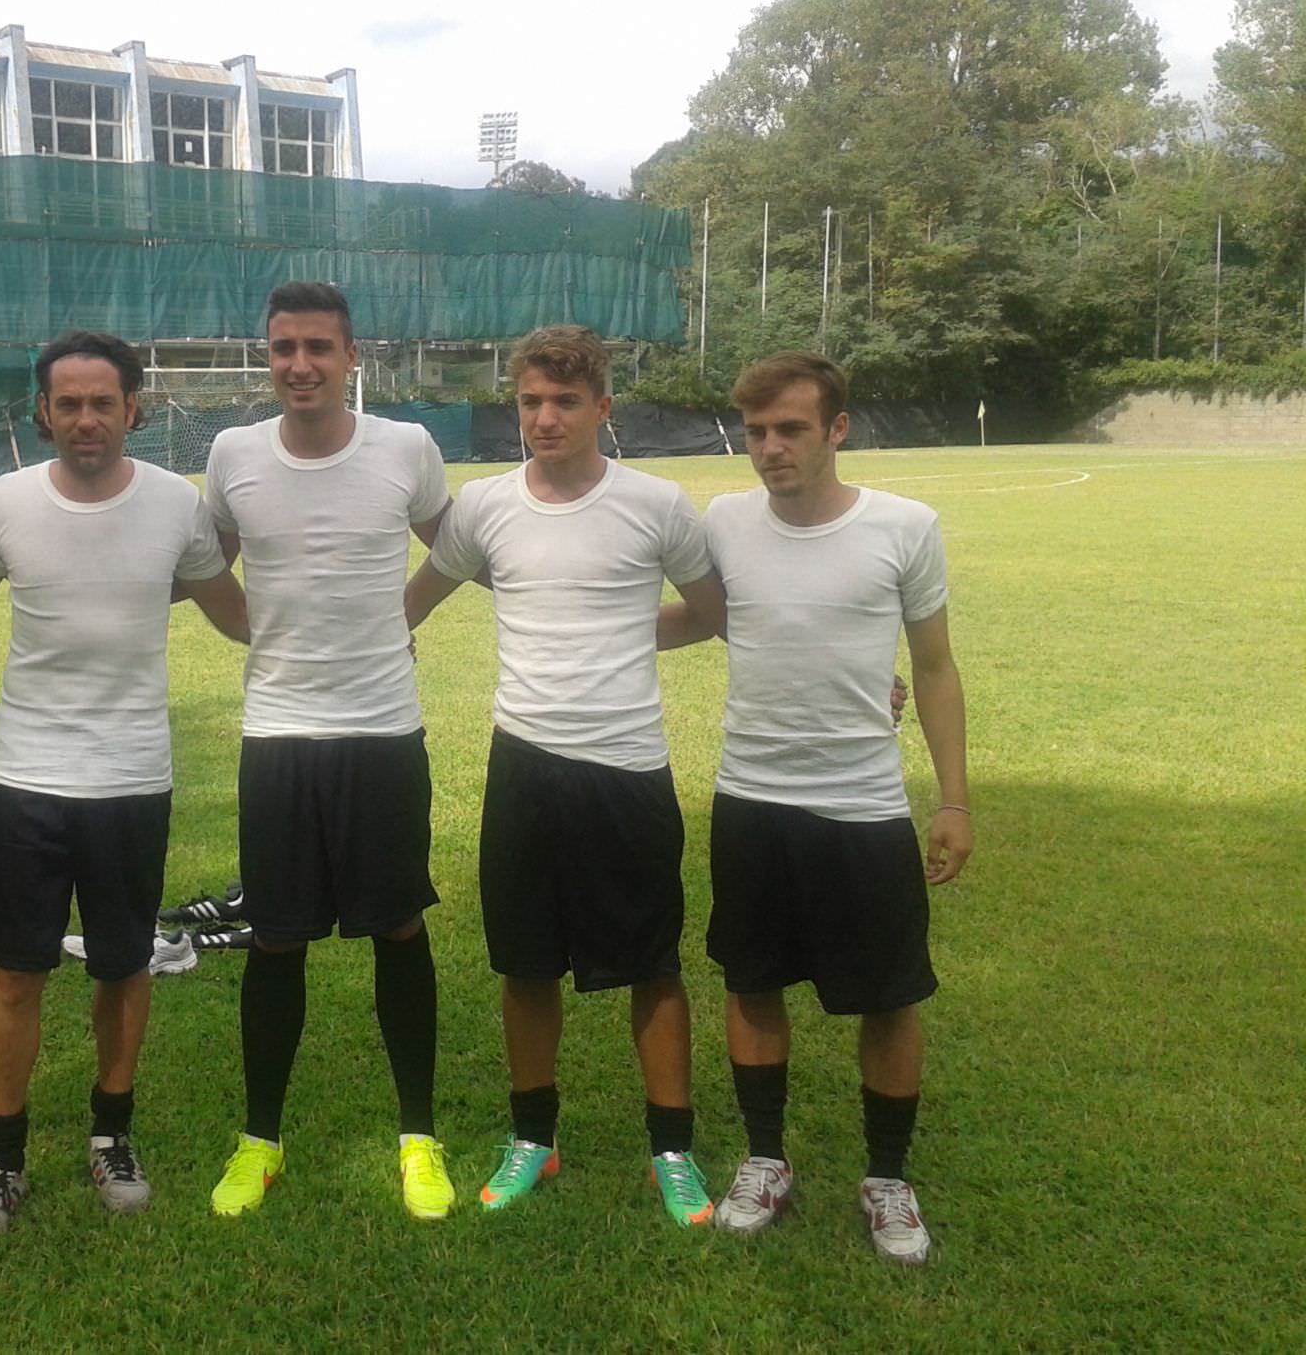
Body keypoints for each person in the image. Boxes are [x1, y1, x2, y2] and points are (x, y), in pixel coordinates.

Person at [404, 325, 728, 1224]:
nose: (544, 420)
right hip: (524, 766)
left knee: (653, 967)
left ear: (603, 409)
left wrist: (859, 677)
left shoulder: (658, 504)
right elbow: (412, 605)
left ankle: (671, 1151)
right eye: (531, 403)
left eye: (565, 403)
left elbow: (714, 613)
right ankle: (532, 1143)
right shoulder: (484, 507)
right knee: (526, 964)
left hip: (626, 769)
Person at [0, 331, 248, 1243]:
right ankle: (4, 1161)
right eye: (67, 404)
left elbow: (237, 616)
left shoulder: (174, 507)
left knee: (122, 965)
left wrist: (350, 626)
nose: (84, 419)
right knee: (15, 972)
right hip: (24, 780)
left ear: (133, 410)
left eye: (101, 403)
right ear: (43, 412)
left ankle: (112, 1136)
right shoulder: (2, 504)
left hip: (131, 781)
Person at [699, 351, 971, 1266]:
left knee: (890, 999)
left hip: (861, 806)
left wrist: (955, 801)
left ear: (837, 430)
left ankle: (888, 1178)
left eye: (790, 430)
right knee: (752, 982)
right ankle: (764, 1159)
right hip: (750, 798)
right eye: (757, 432)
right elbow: (720, 616)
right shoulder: (724, 523)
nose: (770, 449)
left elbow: (932, 667)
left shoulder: (906, 527)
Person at [204, 281, 456, 1220]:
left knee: (398, 927)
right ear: (266, 358)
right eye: (282, 348)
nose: (299, 364)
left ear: (354, 357)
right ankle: (259, 1141)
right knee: (275, 937)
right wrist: (253, 632)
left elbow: (460, 544)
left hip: (383, 733)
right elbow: (203, 562)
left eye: (318, 346)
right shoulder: (231, 453)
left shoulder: (405, 448)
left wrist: (407, 611)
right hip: (279, 736)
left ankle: (418, 1141)